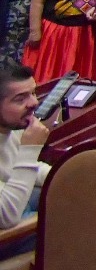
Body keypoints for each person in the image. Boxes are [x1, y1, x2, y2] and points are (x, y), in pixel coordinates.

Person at [0, 61, 49, 236]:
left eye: (33, 93)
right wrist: (30, 150)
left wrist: (67, 176)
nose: (34, 103)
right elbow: (6, 215)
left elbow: (26, 169)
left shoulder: (11, 127)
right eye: (20, 99)